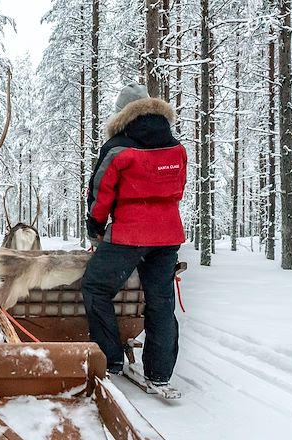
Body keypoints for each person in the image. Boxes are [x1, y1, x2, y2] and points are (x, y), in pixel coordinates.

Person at [82, 83, 187, 387]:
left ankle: (110, 358)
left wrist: (96, 227)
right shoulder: (176, 148)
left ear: (122, 114)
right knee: (161, 301)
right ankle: (160, 372)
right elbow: (177, 189)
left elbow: (100, 191)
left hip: (129, 234)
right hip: (168, 236)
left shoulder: (117, 147)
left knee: (95, 287)